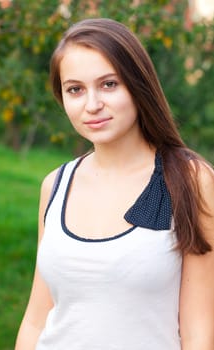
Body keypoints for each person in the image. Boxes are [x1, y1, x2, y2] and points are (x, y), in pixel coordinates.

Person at [15, 18, 214, 350]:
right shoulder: (55, 186)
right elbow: (36, 318)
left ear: (139, 85)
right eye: (75, 89)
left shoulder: (189, 180)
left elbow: (199, 330)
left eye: (109, 84)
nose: (92, 105)